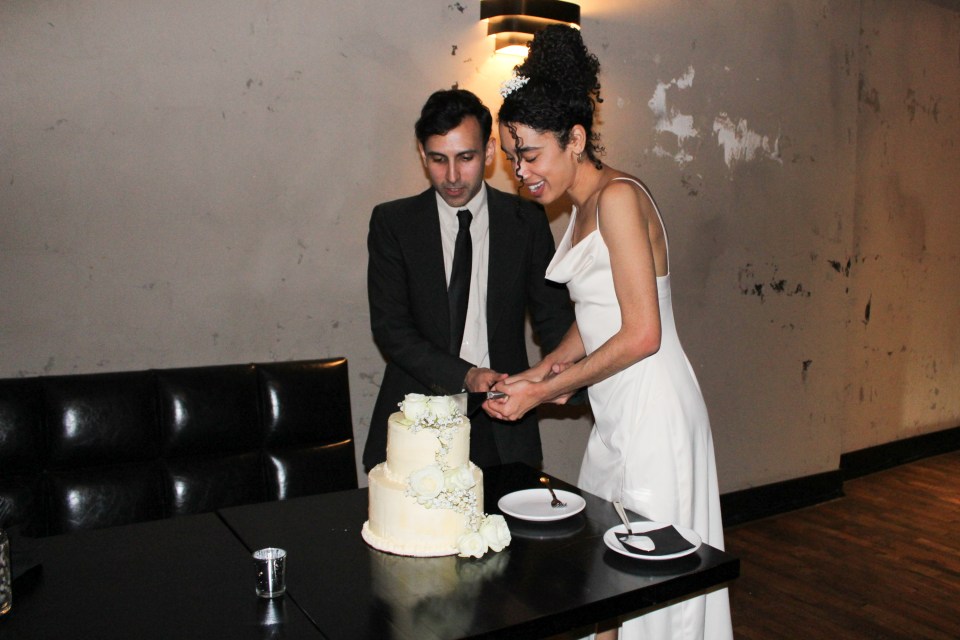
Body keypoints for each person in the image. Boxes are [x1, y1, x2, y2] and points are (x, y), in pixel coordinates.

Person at [485, 26, 733, 640]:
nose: (520, 172)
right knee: (605, 581)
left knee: (647, 586)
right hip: (618, 414)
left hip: (655, 413)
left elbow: (642, 333)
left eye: (530, 154)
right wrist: (545, 370)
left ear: (574, 139)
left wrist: (546, 392)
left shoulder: (619, 196)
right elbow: (599, 316)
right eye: (512, 156)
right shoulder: (582, 204)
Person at [363, 88, 574, 472]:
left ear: (490, 152)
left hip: (503, 426)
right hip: (417, 419)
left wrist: (564, 376)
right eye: (439, 160)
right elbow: (392, 329)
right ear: (422, 154)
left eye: (466, 157)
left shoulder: (525, 221)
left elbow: (553, 317)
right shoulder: (393, 223)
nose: (453, 176)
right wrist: (466, 375)